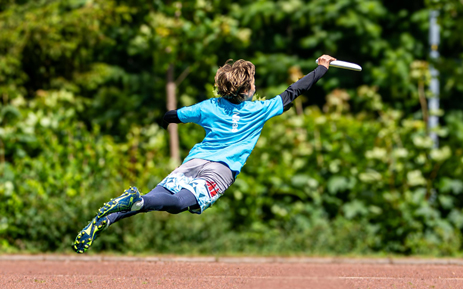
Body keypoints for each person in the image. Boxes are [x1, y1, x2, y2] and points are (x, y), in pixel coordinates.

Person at [72, 54, 337, 253]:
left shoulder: (209, 106)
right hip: (220, 171)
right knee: (178, 205)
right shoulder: (261, 109)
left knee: (154, 198)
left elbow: (173, 115)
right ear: (246, 90)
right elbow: (295, 91)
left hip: (194, 162)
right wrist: (322, 67)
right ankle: (135, 202)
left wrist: (165, 122)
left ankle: (103, 221)